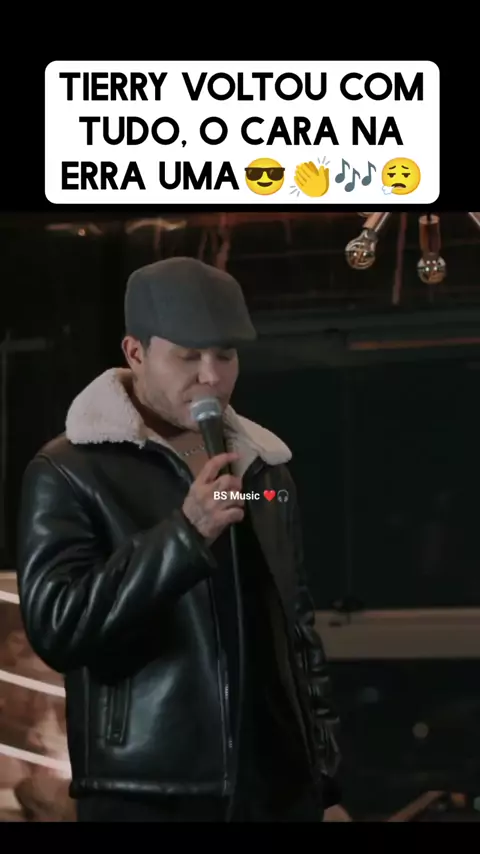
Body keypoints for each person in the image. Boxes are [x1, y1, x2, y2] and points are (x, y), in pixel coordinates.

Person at [16, 257, 342, 822]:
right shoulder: (69, 469)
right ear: (135, 352)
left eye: (226, 355)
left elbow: (296, 622)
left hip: (275, 790)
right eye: (189, 356)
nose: (211, 376)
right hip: (147, 790)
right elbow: (59, 628)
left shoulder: (263, 468)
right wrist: (186, 534)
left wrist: (324, 768)